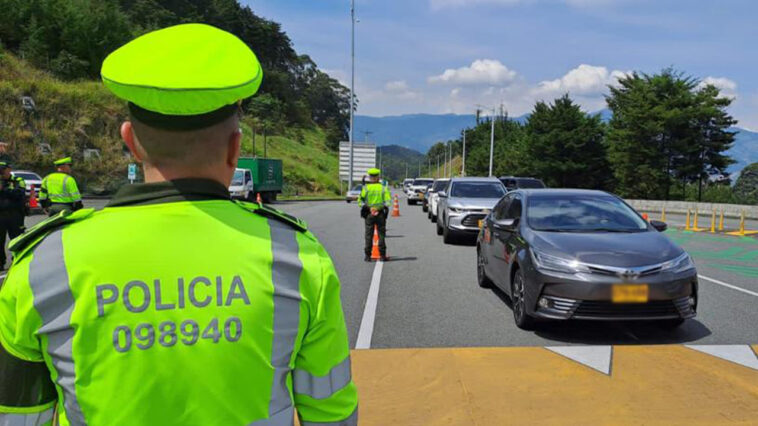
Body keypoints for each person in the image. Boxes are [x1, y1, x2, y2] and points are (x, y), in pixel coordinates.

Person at [0, 23, 357, 426]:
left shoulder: (41, 267)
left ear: (130, 142)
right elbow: (331, 413)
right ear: (236, 148)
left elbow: (17, 417)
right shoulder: (299, 259)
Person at [358, 168, 391, 262]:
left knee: (369, 235)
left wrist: (369, 208)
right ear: (378, 177)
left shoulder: (366, 188)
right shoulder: (383, 188)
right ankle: (382, 256)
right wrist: (379, 207)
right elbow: (388, 202)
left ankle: (367, 256)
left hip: (369, 214)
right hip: (380, 214)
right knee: (381, 235)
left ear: (369, 177)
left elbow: (360, 202)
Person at [0, 162, 26, 269]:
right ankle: (0, 262)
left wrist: (4, 189)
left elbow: (19, 194)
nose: (1, 172)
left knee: (17, 239)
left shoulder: (18, 181)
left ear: (9, 169)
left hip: (15, 215)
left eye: (3, 170)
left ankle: (17, 260)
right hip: (1, 215)